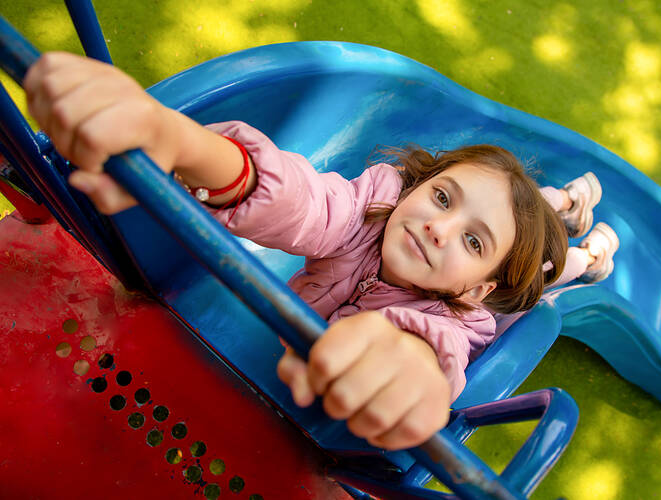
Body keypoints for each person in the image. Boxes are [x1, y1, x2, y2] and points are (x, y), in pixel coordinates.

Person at [23, 52, 619, 451]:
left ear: (473, 286)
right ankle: (556, 201)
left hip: (518, 282)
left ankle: (589, 252)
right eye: (442, 198)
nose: (440, 227)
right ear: (415, 188)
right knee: (516, 216)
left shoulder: (456, 316)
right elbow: (300, 200)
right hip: (500, 251)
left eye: (471, 240)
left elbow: (430, 351)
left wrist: (408, 372)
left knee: (547, 271)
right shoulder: (373, 212)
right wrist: (180, 141)